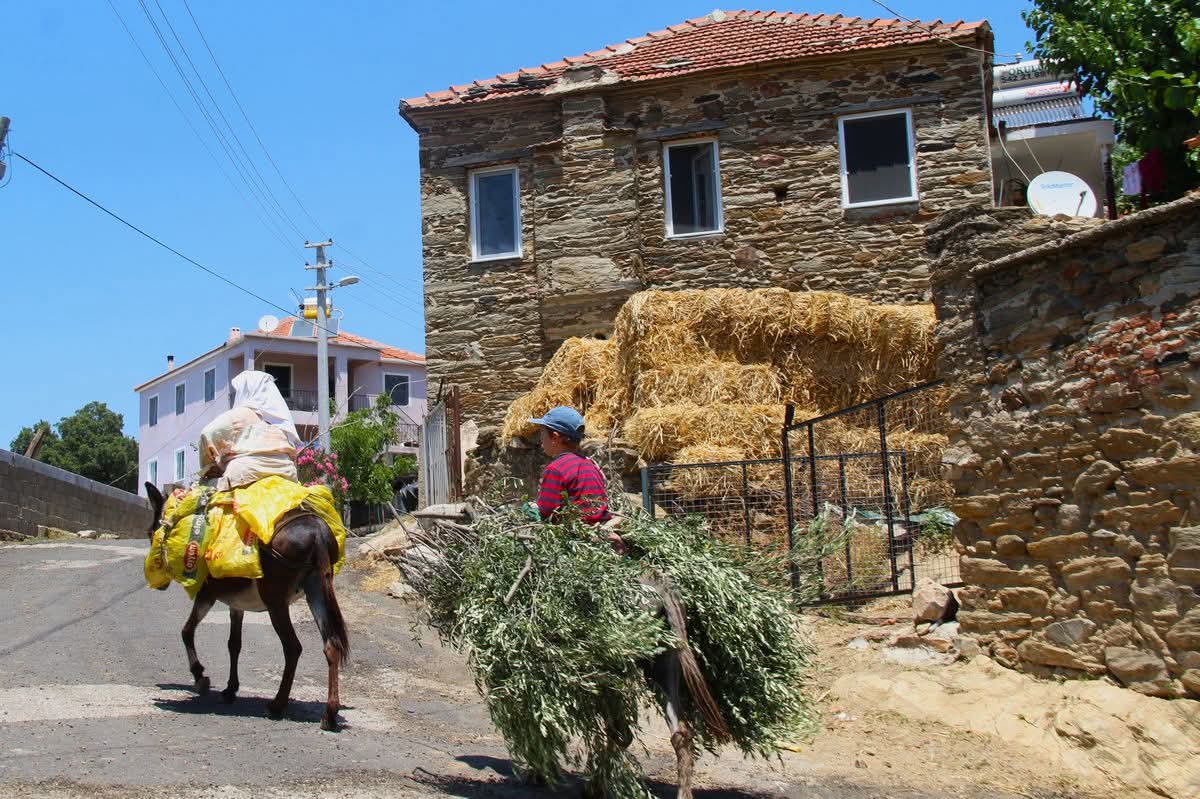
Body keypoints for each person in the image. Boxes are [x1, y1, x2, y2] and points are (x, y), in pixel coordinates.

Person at [529, 406, 624, 553]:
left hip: (577, 542)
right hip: (601, 534)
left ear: (555, 437)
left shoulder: (556, 469)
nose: (541, 440)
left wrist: (531, 509)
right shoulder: (590, 465)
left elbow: (547, 511)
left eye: (542, 434)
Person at [198, 370, 302, 490]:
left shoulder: (238, 415)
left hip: (246, 475)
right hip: (287, 475)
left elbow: (207, 433)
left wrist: (210, 468)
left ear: (245, 390)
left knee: (202, 485)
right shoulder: (280, 420)